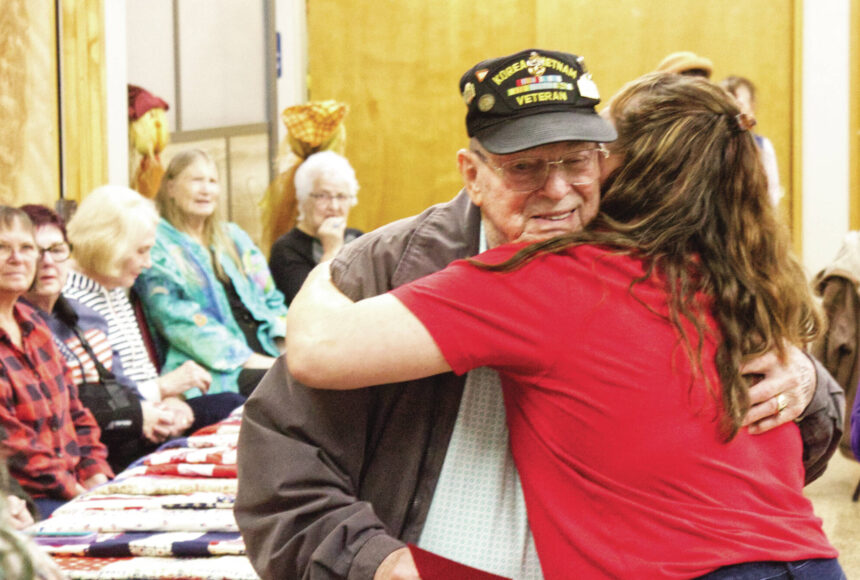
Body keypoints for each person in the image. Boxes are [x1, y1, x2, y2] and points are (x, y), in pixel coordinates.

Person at [235, 49, 843, 580]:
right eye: (524, 166)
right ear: (472, 173)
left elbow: (785, 442)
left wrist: (807, 381)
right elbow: (282, 458)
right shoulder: (388, 269)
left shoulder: (643, 260)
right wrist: (375, 564)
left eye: (576, 160)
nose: (556, 190)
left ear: (608, 162)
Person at [64, 187, 244, 445]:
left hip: (147, 409)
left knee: (235, 406)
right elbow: (104, 399)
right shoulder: (72, 302)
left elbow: (142, 374)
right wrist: (165, 388)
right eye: (141, 251)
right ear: (109, 245)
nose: (148, 263)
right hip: (118, 428)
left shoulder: (112, 287)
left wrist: (173, 401)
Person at [21, 204, 180, 472]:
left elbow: (118, 385)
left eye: (57, 251)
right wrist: (138, 415)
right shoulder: (18, 327)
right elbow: (54, 415)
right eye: (35, 251)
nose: (47, 262)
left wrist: (158, 408)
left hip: (108, 442)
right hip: (57, 461)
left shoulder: (85, 315)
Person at [134, 149, 287, 397]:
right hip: (215, 370)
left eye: (212, 181)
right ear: (170, 187)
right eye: (196, 180)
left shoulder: (233, 236)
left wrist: (286, 343)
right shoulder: (157, 243)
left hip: (268, 351)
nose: (206, 189)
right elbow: (176, 319)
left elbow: (271, 299)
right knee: (292, 387)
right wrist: (254, 361)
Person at [0, 206, 113, 519]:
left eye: (26, 248)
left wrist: (95, 475)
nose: (17, 258)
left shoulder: (36, 326)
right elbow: (11, 445)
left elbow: (77, 413)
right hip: (24, 499)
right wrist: (76, 494)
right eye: (2, 248)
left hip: (71, 489)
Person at [269, 150, 362, 305]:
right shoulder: (286, 249)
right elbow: (311, 305)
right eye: (323, 196)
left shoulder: (358, 238)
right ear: (304, 199)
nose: (334, 206)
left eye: (341, 196)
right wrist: (331, 250)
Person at [720, 75, 783, 205]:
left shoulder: (762, 146)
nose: (734, 110)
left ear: (752, 107)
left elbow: (772, 192)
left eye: (739, 104)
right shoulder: (712, 142)